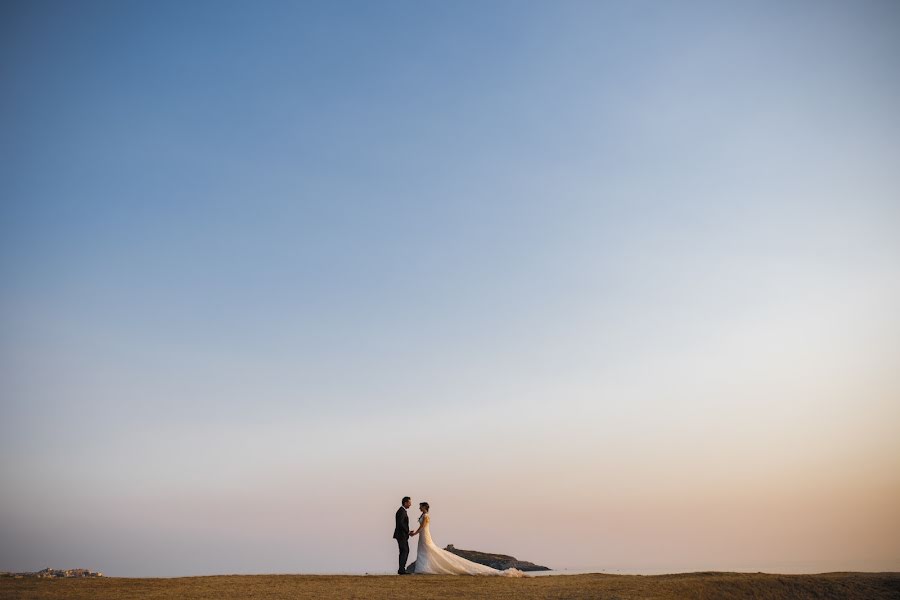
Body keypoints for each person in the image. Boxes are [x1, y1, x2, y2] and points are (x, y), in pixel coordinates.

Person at [409, 501, 525, 577]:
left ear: (424, 507)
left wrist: (414, 534)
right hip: (423, 535)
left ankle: (424, 568)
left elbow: (422, 526)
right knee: (425, 551)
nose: (419, 507)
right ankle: (423, 567)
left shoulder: (426, 516)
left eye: (420, 506)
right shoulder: (423, 515)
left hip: (424, 534)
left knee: (429, 549)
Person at [392, 496, 413, 575]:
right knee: (405, 550)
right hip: (401, 535)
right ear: (405, 503)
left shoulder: (402, 511)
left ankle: (401, 569)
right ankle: (402, 569)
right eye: (409, 503)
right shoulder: (402, 511)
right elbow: (401, 523)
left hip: (401, 534)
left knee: (403, 551)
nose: (410, 505)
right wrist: (407, 531)